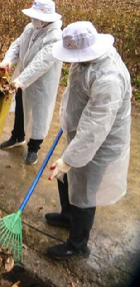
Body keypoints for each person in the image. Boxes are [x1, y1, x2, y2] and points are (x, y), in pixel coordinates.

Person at [46, 21, 131, 259]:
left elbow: (95, 126)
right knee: (63, 175)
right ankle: (67, 216)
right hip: (80, 131)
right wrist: (68, 122)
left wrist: (70, 158)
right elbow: (77, 92)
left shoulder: (108, 77)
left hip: (100, 142)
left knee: (84, 191)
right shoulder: (86, 61)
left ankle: (77, 244)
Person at [0, 0, 63, 165]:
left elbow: (40, 63)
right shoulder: (31, 27)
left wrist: (20, 80)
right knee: (20, 106)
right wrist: (8, 60)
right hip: (23, 78)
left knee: (38, 114)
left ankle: (34, 147)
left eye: (37, 17)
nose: (33, 20)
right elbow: (18, 45)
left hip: (42, 84)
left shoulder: (55, 37)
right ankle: (17, 136)